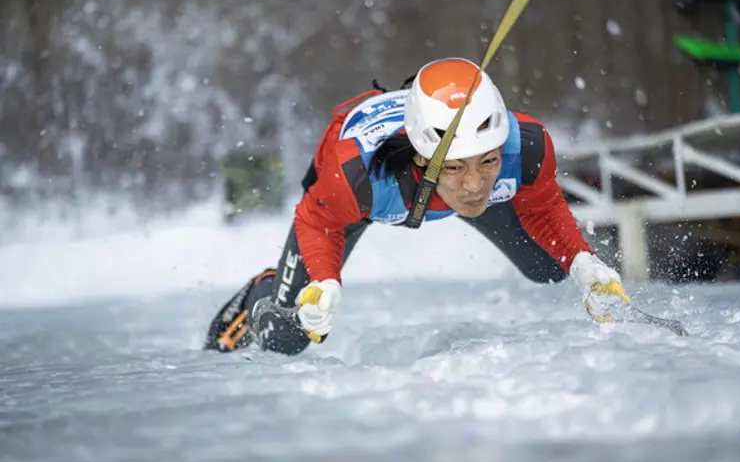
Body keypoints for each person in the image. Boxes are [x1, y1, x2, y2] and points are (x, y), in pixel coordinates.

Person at [203, 57, 629, 356]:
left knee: (550, 268)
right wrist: (327, 281)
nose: (476, 185)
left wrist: (581, 262)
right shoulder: (356, 177)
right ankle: (263, 291)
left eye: (489, 161)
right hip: (345, 206)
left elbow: (542, 208)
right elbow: (317, 223)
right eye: (457, 167)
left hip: (414, 180)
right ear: (424, 160)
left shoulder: (528, 146)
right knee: (291, 334)